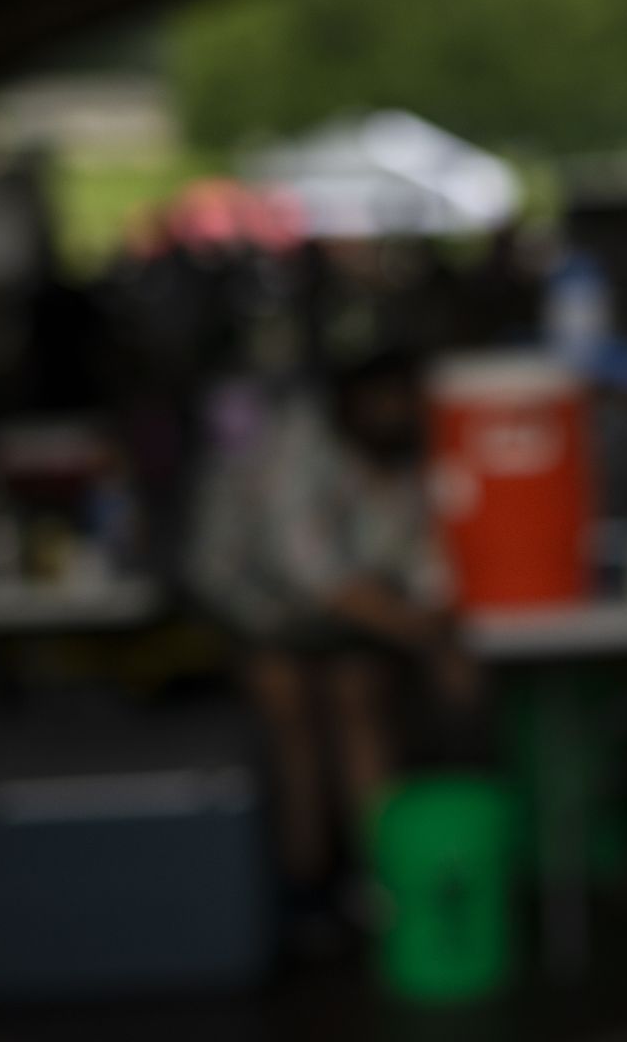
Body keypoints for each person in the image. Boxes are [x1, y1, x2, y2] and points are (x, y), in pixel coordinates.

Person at [190, 347, 481, 940]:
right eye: (382, 401)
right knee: (290, 711)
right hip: (257, 608)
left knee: (360, 700)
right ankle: (304, 886)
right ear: (348, 401)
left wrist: (438, 629)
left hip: (348, 620)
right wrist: (431, 641)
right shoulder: (294, 444)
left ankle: (379, 881)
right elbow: (312, 574)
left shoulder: (404, 456)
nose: (394, 414)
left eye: (403, 401)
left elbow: (418, 560)